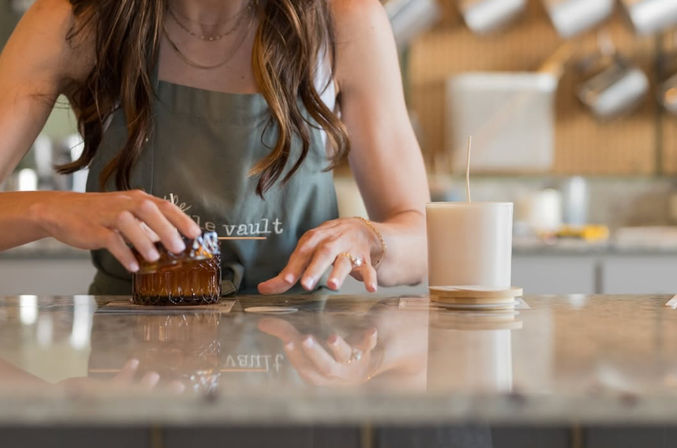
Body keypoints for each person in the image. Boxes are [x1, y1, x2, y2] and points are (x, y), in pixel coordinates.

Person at [0, 0, 429, 295]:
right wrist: (51, 209)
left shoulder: (345, 21)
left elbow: (426, 242)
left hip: (301, 375)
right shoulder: (74, 22)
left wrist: (370, 238)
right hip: (131, 373)